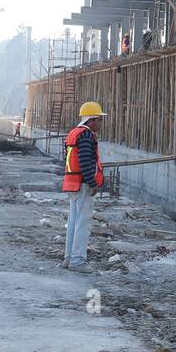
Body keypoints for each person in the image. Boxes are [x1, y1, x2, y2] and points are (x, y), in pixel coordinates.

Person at [62, 101, 106, 270]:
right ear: (91, 120)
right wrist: (92, 183)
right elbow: (85, 161)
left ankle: (69, 259)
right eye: (99, 120)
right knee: (83, 223)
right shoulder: (86, 136)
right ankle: (78, 261)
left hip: (73, 184)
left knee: (73, 222)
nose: (100, 124)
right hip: (82, 184)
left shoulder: (74, 133)